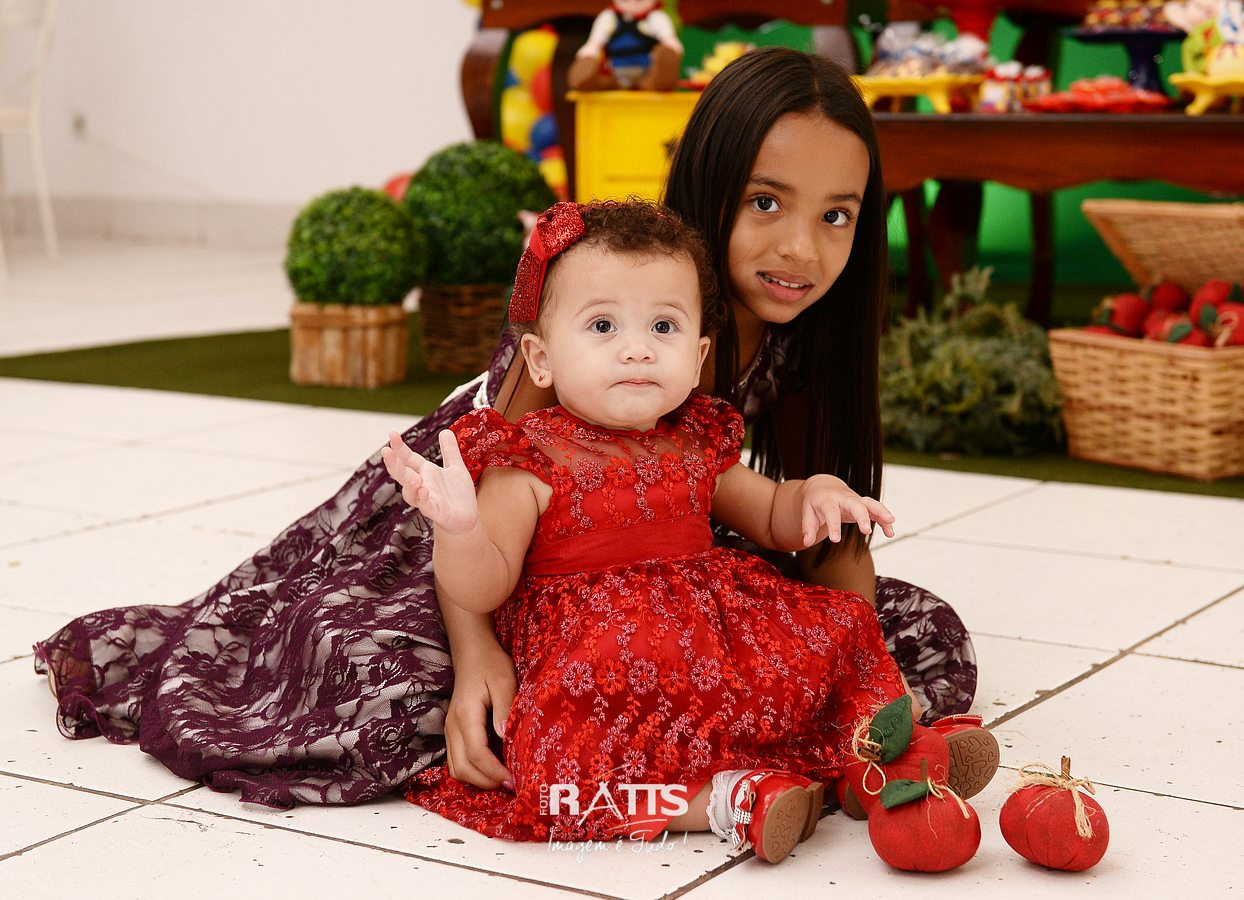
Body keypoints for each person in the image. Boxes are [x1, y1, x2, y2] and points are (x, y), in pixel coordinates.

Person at [33, 47, 982, 812]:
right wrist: (479, 649)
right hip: (472, 527)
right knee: (421, 706)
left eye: (837, 216)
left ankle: (859, 735)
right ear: (711, 179)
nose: (801, 248)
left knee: (907, 628)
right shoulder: (615, 287)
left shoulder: (799, 331)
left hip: (642, 546)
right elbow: (497, 483)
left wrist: (826, 602)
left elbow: (781, 516)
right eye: (765, 203)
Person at [389, 199, 909, 863]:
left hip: (713, 638)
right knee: (553, 771)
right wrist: (460, 532)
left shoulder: (695, 439)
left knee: (832, 628)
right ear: (541, 359)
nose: (637, 348)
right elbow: (485, 585)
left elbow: (769, 513)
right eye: (602, 325)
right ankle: (725, 801)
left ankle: (871, 758)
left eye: (663, 326)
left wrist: (814, 494)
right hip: (596, 660)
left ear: (697, 357)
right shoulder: (528, 458)